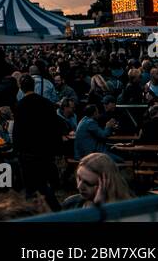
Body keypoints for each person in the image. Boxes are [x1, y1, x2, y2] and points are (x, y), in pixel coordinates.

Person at [13, 73, 65, 210]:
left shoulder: (19, 106)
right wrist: (58, 148)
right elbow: (54, 127)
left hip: (27, 151)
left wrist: (17, 149)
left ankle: (42, 210)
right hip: (45, 149)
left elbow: (18, 131)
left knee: (32, 186)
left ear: (20, 87)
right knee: (42, 183)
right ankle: (48, 208)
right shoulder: (46, 104)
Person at [63, 152, 134, 209]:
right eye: (79, 178)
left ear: (107, 183)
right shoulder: (71, 203)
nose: (79, 187)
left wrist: (100, 208)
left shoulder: (128, 209)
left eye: (88, 183)